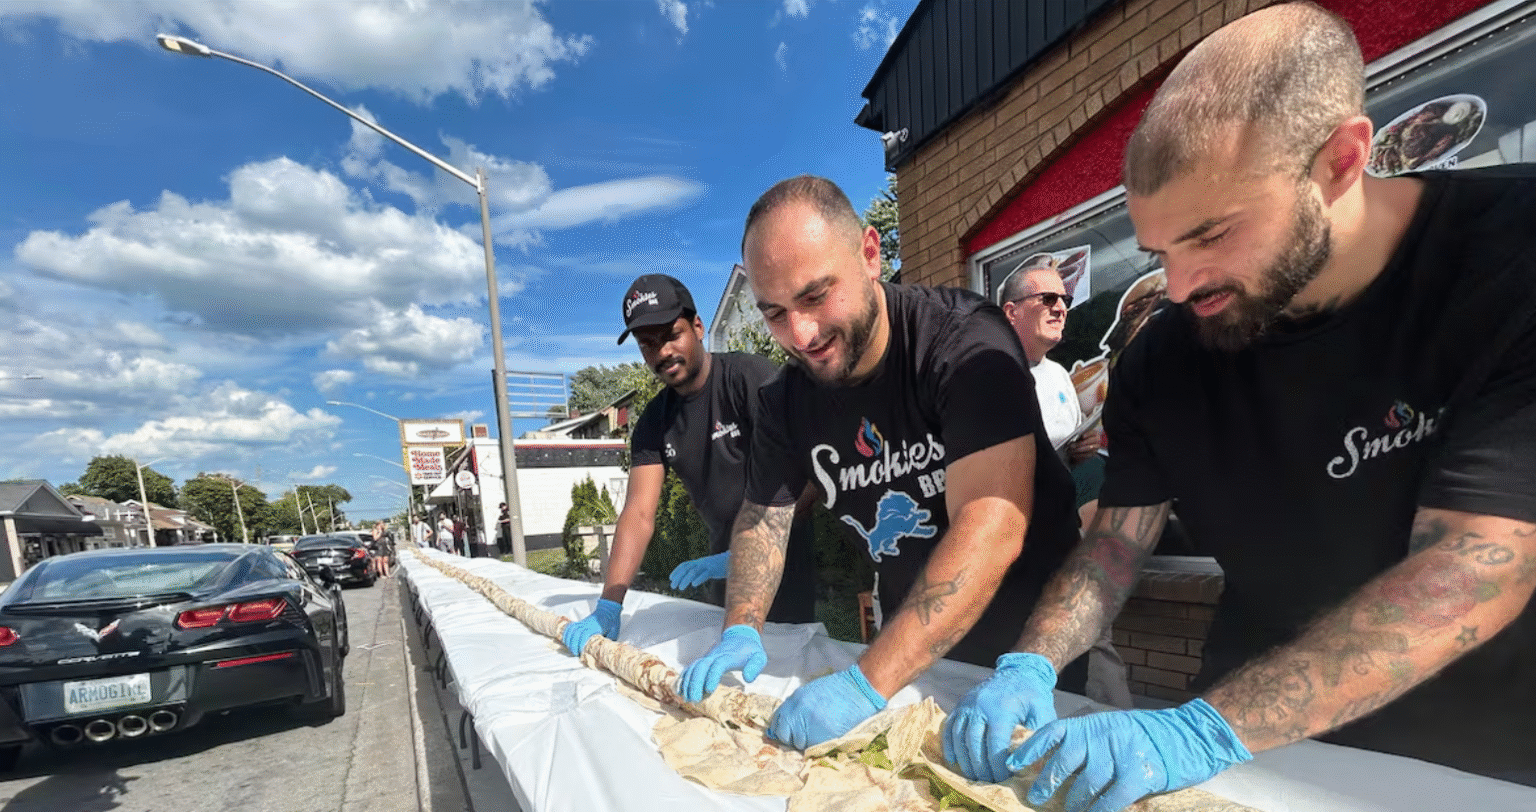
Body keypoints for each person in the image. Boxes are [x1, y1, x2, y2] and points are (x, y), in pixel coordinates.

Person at [941, 3, 1536, 808]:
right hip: (1250, 737)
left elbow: (1475, 565)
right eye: (1160, 253)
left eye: (1212, 234)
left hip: (1479, 753)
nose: (1181, 287)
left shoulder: (1506, 260)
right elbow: (1117, 543)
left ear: (1341, 160)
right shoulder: (1165, 355)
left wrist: (1199, 730)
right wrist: (1035, 660)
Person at [677, 175, 1083, 751]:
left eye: (816, 296)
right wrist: (741, 622)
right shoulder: (785, 401)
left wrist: (865, 684)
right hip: (911, 646)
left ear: (871, 253)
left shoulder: (964, 342)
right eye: (774, 313)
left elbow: (992, 525)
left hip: (1039, 646)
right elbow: (763, 518)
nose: (801, 335)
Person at [561, 274, 818, 657]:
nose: (662, 351)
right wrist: (609, 604)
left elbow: (812, 472)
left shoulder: (751, 380)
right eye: (648, 344)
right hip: (720, 575)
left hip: (782, 569)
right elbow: (639, 512)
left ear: (697, 327)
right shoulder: (654, 422)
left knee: (784, 673)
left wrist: (747, 551)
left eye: (671, 334)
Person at [998, 262, 1133, 711]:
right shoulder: (984, 373)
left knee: (1091, 632)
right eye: (1048, 299)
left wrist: (1084, 445)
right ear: (1011, 311)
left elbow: (1074, 456)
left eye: (1066, 300)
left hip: (1066, 532)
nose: (1061, 308)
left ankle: (1110, 726)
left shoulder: (1057, 376)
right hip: (1013, 536)